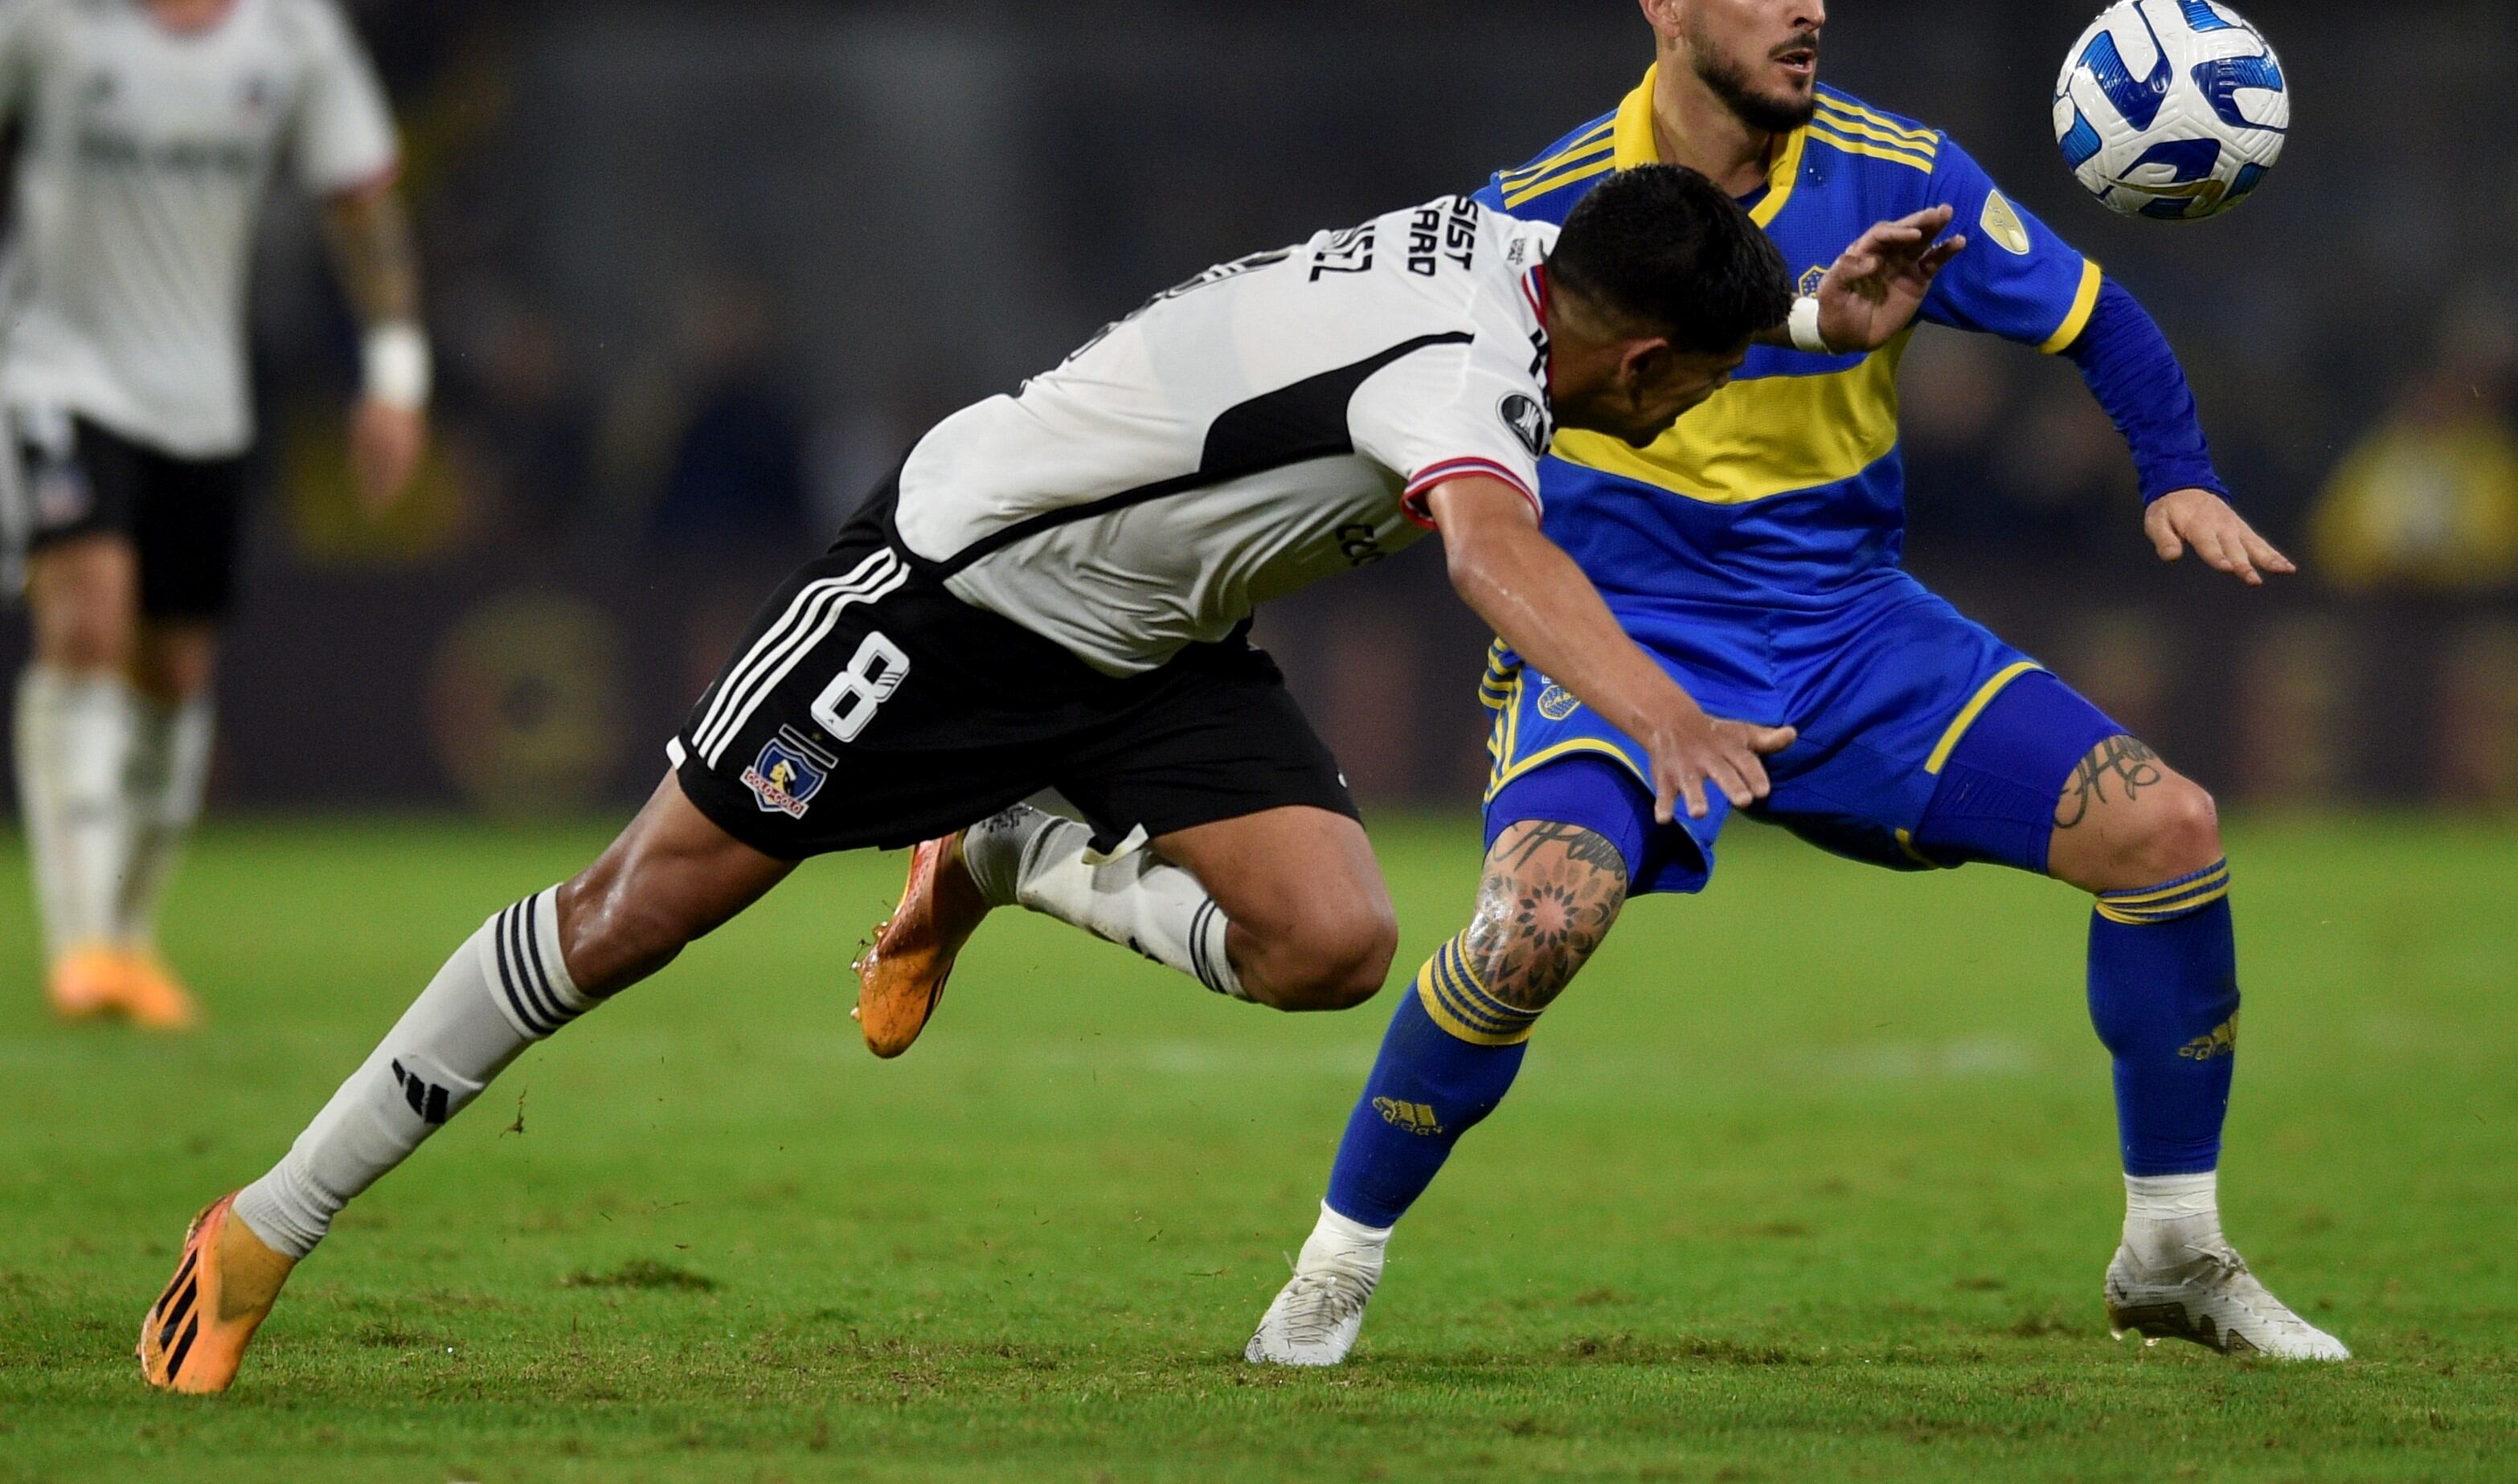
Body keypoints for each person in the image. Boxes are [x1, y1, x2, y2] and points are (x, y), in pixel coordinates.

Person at [136, 166, 1959, 1392]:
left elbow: (1614, 330)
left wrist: (1806, 320)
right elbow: (1489, 549)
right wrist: (1658, 707)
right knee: (636, 910)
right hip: (956, 590)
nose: (1678, 415)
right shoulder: (1460, 380)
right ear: (1631, 353)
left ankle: (1009, 850)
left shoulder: (1517, 238)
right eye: (1690, 387)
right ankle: (263, 1222)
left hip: (1149, 643)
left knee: (1332, 937)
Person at [1246, 0, 2348, 1367]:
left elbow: (2098, 316)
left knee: (2167, 829)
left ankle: (2171, 1250)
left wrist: (2176, 472)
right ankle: (1330, 1269)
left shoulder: (1903, 169)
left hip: (1851, 626)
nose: (1807, 7)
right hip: (1622, 633)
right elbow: (1428, 400)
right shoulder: (1546, 211)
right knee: (1532, 927)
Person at [0, 0, 429, 1027]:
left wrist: (394, 376)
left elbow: (363, 207)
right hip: (55, 368)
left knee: (175, 671)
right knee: (83, 619)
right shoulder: (43, 9)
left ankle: (130, 937)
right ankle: (78, 942)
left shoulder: (292, 28)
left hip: (202, 395)